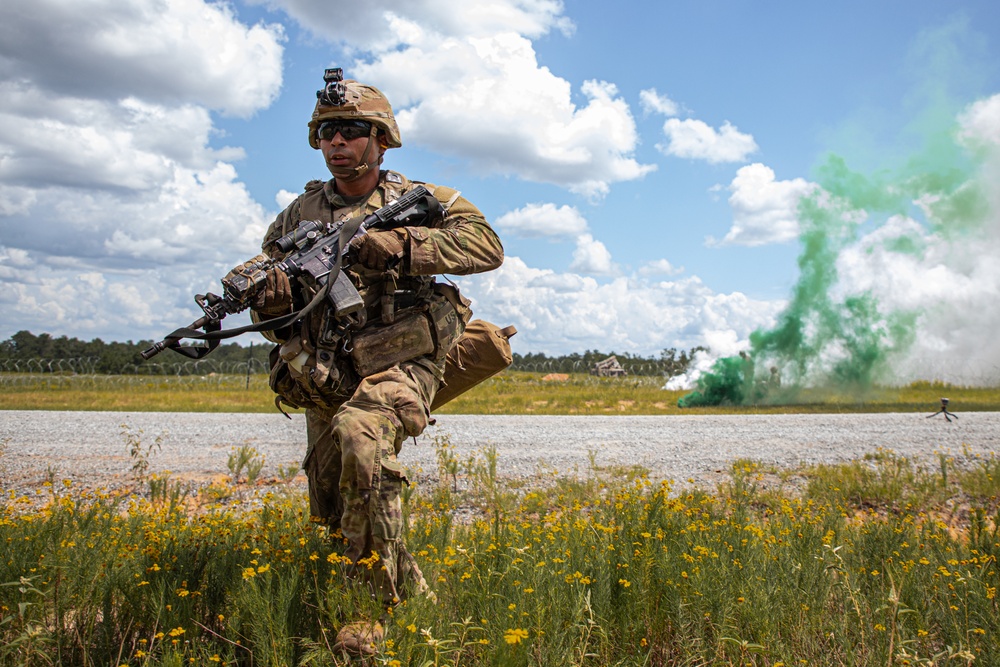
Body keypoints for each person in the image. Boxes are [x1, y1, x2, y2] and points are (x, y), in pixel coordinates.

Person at [233, 68, 504, 655]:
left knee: (363, 441)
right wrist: (272, 295)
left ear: (381, 138)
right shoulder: (298, 214)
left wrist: (403, 244)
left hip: (402, 358)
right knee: (334, 499)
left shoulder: (425, 199)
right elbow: (273, 285)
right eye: (327, 133)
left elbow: (487, 246)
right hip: (330, 368)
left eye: (352, 130)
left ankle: (367, 610)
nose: (338, 143)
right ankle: (416, 595)